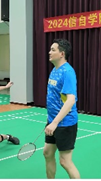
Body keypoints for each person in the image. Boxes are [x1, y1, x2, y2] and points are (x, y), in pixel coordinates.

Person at [44, 39, 80, 179]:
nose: (49, 52)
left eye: (53, 50)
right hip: (52, 121)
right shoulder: (54, 70)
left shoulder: (68, 72)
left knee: (65, 161)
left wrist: (55, 122)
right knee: (47, 153)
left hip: (65, 123)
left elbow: (70, 100)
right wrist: (51, 121)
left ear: (62, 54)